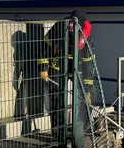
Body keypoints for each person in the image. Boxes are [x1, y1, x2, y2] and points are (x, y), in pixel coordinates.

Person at [38, 9, 95, 140]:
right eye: (70, 21)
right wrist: (43, 68)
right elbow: (45, 47)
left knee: (85, 101)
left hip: (78, 68)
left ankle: (81, 134)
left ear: (80, 25)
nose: (70, 25)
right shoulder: (58, 27)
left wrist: (87, 91)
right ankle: (58, 136)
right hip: (58, 67)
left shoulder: (87, 38)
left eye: (73, 23)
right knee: (56, 99)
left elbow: (88, 64)